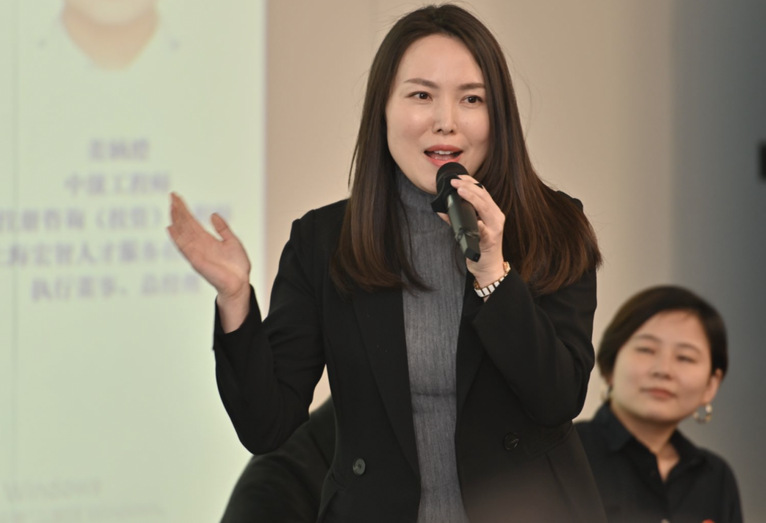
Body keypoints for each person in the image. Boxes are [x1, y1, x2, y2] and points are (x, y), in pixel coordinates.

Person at [169, 4, 605, 522]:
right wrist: (236, 299)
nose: (446, 122)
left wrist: (493, 273)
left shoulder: (553, 224)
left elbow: (558, 399)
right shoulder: (326, 241)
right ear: (383, 109)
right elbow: (267, 426)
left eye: (471, 99)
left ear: (499, 117)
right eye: (421, 95)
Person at [576, 286, 743, 523]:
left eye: (685, 357)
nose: (663, 370)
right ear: (610, 365)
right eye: (646, 350)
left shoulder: (716, 477)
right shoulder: (567, 455)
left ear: (711, 385)